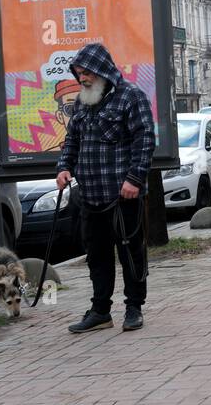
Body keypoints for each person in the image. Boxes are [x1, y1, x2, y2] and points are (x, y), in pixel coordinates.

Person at [55, 43, 155, 334]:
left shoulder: (131, 96)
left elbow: (145, 139)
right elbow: (71, 141)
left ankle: (134, 307)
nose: (83, 78)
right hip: (90, 196)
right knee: (97, 256)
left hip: (122, 195)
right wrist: (64, 167)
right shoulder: (84, 102)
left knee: (130, 253)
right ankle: (100, 311)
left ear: (102, 71)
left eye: (87, 72)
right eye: (79, 73)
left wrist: (134, 179)